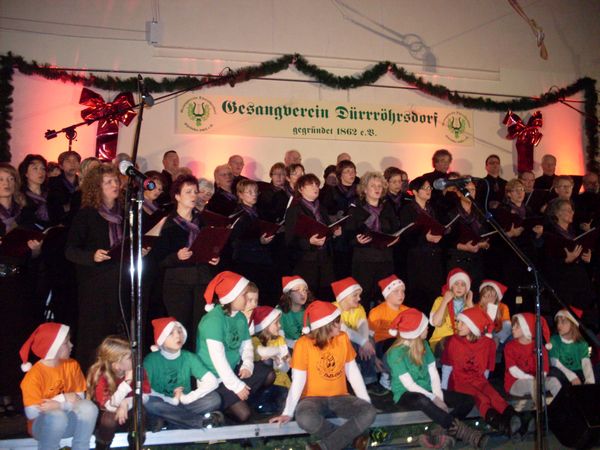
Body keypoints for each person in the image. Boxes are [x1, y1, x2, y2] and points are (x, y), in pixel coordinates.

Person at [270, 301, 376, 450]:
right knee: (305, 418)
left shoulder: (343, 338)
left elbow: (353, 372)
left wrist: (365, 401)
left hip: (340, 398)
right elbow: (298, 381)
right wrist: (288, 412)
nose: (340, 325)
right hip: (311, 399)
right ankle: (351, 440)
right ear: (325, 325)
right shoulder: (303, 344)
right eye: (337, 322)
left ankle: (324, 447)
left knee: (369, 412)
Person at [387, 308, 485, 449]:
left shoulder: (424, 345)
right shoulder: (395, 353)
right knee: (422, 400)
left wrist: (437, 396)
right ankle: (467, 434)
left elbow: (433, 373)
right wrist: (434, 399)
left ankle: (440, 430)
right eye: (424, 325)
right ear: (416, 331)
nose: (428, 327)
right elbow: (409, 385)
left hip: (428, 389)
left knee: (468, 400)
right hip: (406, 394)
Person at [65, 164, 128, 370]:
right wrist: (92, 256)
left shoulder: (125, 214)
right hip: (95, 283)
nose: (115, 185)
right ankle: (91, 376)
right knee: (94, 334)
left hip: (119, 281)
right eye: (108, 182)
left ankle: (114, 376)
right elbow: (70, 250)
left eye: (116, 180)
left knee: (116, 332)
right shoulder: (87, 214)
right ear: (97, 187)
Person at [150, 174, 220, 351]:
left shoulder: (203, 220)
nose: (193, 195)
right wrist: (176, 256)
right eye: (188, 192)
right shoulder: (167, 223)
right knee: (181, 328)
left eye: (195, 192)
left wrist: (214, 257)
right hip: (178, 283)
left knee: (201, 327)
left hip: (202, 280)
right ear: (177, 196)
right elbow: (157, 258)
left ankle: (197, 363)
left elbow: (211, 246)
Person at [196, 271, 275, 422]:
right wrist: (237, 386)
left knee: (269, 374)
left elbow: (246, 346)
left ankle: (239, 400)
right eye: (244, 295)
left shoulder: (239, 317)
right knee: (244, 415)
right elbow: (218, 360)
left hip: (233, 371)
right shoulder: (213, 320)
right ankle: (226, 407)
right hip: (215, 380)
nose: (247, 298)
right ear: (231, 296)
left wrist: (247, 365)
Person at [441, 307, 523, 438]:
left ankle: (516, 420)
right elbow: (447, 366)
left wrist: (483, 385)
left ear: (473, 326)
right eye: (458, 322)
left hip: (478, 379)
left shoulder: (487, 343)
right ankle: (504, 426)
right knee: (481, 398)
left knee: (494, 396)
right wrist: (444, 390)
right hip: (458, 381)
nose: (458, 325)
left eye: (462, 323)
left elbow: (486, 369)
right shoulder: (453, 341)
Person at [1, 163, 42, 416]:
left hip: (20, 282)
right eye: (1, 179)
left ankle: (17, 393)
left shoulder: (24, 213)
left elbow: (33, 253)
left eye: (9, 179)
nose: (6, 184)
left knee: (19, 338)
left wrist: (35, 249)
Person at [19, 323, 98, 450]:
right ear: (53, 347)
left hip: (68, 420)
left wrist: (60, 405)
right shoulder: (34, 375)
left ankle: (81, 447)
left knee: (89, 407)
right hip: (42, 426)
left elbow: (79, 398)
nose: (71, 345)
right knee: (56, 416)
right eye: (66, 343)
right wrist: (63, 398)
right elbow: (32, 413)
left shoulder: (72, 365)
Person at [144, 317, 223, 429]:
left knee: (214, 399)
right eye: (171, 333)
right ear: (161, 339)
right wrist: (170, 400)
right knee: (150, 403)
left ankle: (168, 421)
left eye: (180, 331)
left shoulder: (188, 357)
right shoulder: (151, 360)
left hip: (183, 403)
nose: (178, 336)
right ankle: (199, 421)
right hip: (163, 403)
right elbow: (145, 390)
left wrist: (187, 398)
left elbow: (212, 381)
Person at [345, 172, 399, 309]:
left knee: (384, 298)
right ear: (365, 189)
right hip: (364, 260)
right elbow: (348, 235)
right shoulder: (356, 208)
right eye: (373, 186)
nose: (377, 188)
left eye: (380, 186)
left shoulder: (388, 207)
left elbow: (396, 229)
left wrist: (395, 239)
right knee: (363, 298)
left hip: (385, 259)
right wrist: (357, 240)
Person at [86, 336, 150, 450]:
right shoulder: (101, 375)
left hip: (126, 414)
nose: (135, 359)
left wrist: (126, 403)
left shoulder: (138, 371)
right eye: (130, 357)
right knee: (109, 419)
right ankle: (102, 447)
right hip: (104, 416)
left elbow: (145, 396)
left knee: (140, 413)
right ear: (117, 365)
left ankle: (135, 445)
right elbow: (110, 406)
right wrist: (126, 383)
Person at [284, 173, 340, 300]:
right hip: (306, 261)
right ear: (300, 189)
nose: (315, 187)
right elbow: (289, 239)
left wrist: (334, 233)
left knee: (326, 296)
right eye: (310, 184)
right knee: (309, 297)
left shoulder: (321, 208)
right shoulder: (295, 209)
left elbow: (326, 230)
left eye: (317, 184)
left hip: (325, 259)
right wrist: (309, 242)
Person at [399, 176, 445, 313]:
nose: (428, 190)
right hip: (417, 258)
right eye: (424, 188)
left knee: (434, 296)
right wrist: (425, 237)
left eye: (429, 187)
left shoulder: (432, 209)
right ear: (414, 191)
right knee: (419, 297)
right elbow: (406, 235)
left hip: (433, 256)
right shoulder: (407, 210)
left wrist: (440, 235)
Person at [542, 198, 595, 316]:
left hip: (580, 283)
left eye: (572, 210)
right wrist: (566, 260)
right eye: (567, 210)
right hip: (563, 285)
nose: (572, 213)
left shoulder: (574, 232)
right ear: (557, 213)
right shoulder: (550, 235)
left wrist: (587, 258)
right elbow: (547, 263)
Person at [230, 179, 277, 306]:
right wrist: (258, 241)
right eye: (249, 192)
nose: (254, 194)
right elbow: (236, 240)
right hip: (246, 260)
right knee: (250, 296)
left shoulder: (259, 212)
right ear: (240, 194)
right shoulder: (238, 214)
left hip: (261, 259)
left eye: (256, 191)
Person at [504, 313, 561, 402]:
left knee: (554, 381)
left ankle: (561, 406)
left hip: (537, 381)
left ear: (527, 328)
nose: (513, 328)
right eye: (513, 326)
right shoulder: (510, 346)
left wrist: (540, 378)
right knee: (532, 384)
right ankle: (541, 408)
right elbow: (513, 370)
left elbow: (544, 370)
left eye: (517, 326)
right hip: (515, 383)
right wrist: (532, 379)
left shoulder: (539, 347)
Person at [331, 277, 377, 386]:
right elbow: (344, 330)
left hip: (356, 339)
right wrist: (363, 342)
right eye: (355, 295)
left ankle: (369, 379)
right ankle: (347, 378)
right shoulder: (333, 308)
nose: (359, 298)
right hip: (337, 342)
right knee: (347, 341)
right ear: (344, 297)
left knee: (370, 341)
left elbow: (363, 325)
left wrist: (365, 342)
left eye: (359, 295)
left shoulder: (358, 308)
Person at [249, 306, 291, 414]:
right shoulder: (254, 340)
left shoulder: (280, 339)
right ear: (265, 326)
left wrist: (279, 362)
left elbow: (286, 368)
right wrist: (278, 351)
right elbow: (262, 352)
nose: (279, 325)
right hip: (264, 386)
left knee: (283, 397)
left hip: (282, 383)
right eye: (276, 323)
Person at [429, 269, 475, 354]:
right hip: (441, 341)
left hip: (461, 342)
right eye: (456, 284)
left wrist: (471, 305)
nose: (459, 287)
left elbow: (478, 328)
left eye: (463, 285)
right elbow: (436, 323)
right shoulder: (440, 300)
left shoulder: (468, 304)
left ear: (466, 289)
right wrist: (445, 301)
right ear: (451, 286)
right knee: (452, 343)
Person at [549, 308, 595, 387]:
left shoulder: (582, 343)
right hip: (562, 374)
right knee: (553, 372)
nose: (559, 325)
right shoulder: (554, 340)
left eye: (563, 321)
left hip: (578, 373)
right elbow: (554, 362)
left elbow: (586, 363)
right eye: (558, 322)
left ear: (573, 323)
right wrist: (571, 376)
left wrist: (590, 381)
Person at [279, 276, 313, 349]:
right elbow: (279, 339)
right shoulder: (279, 312)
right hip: (288, 348)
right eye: (297, 290)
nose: (303, 294)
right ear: (289, 294)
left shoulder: (311, 309)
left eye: (304, 290)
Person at [47, 150, 81, 226]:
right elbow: (53, 209)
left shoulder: (83, 183)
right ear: (61, 166)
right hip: (59, 225)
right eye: (68, 161)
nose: (72, 164)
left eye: (75, 160)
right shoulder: (52, 183)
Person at [477, 280, 511, 350]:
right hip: (483, 332)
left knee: (507, 324)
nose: (488, 299)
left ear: (496, 298)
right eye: (485, 296)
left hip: (497, 333)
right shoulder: (477, 307)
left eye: (491, 296)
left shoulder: (503, 307)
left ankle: (495, 346)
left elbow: (505, 325)